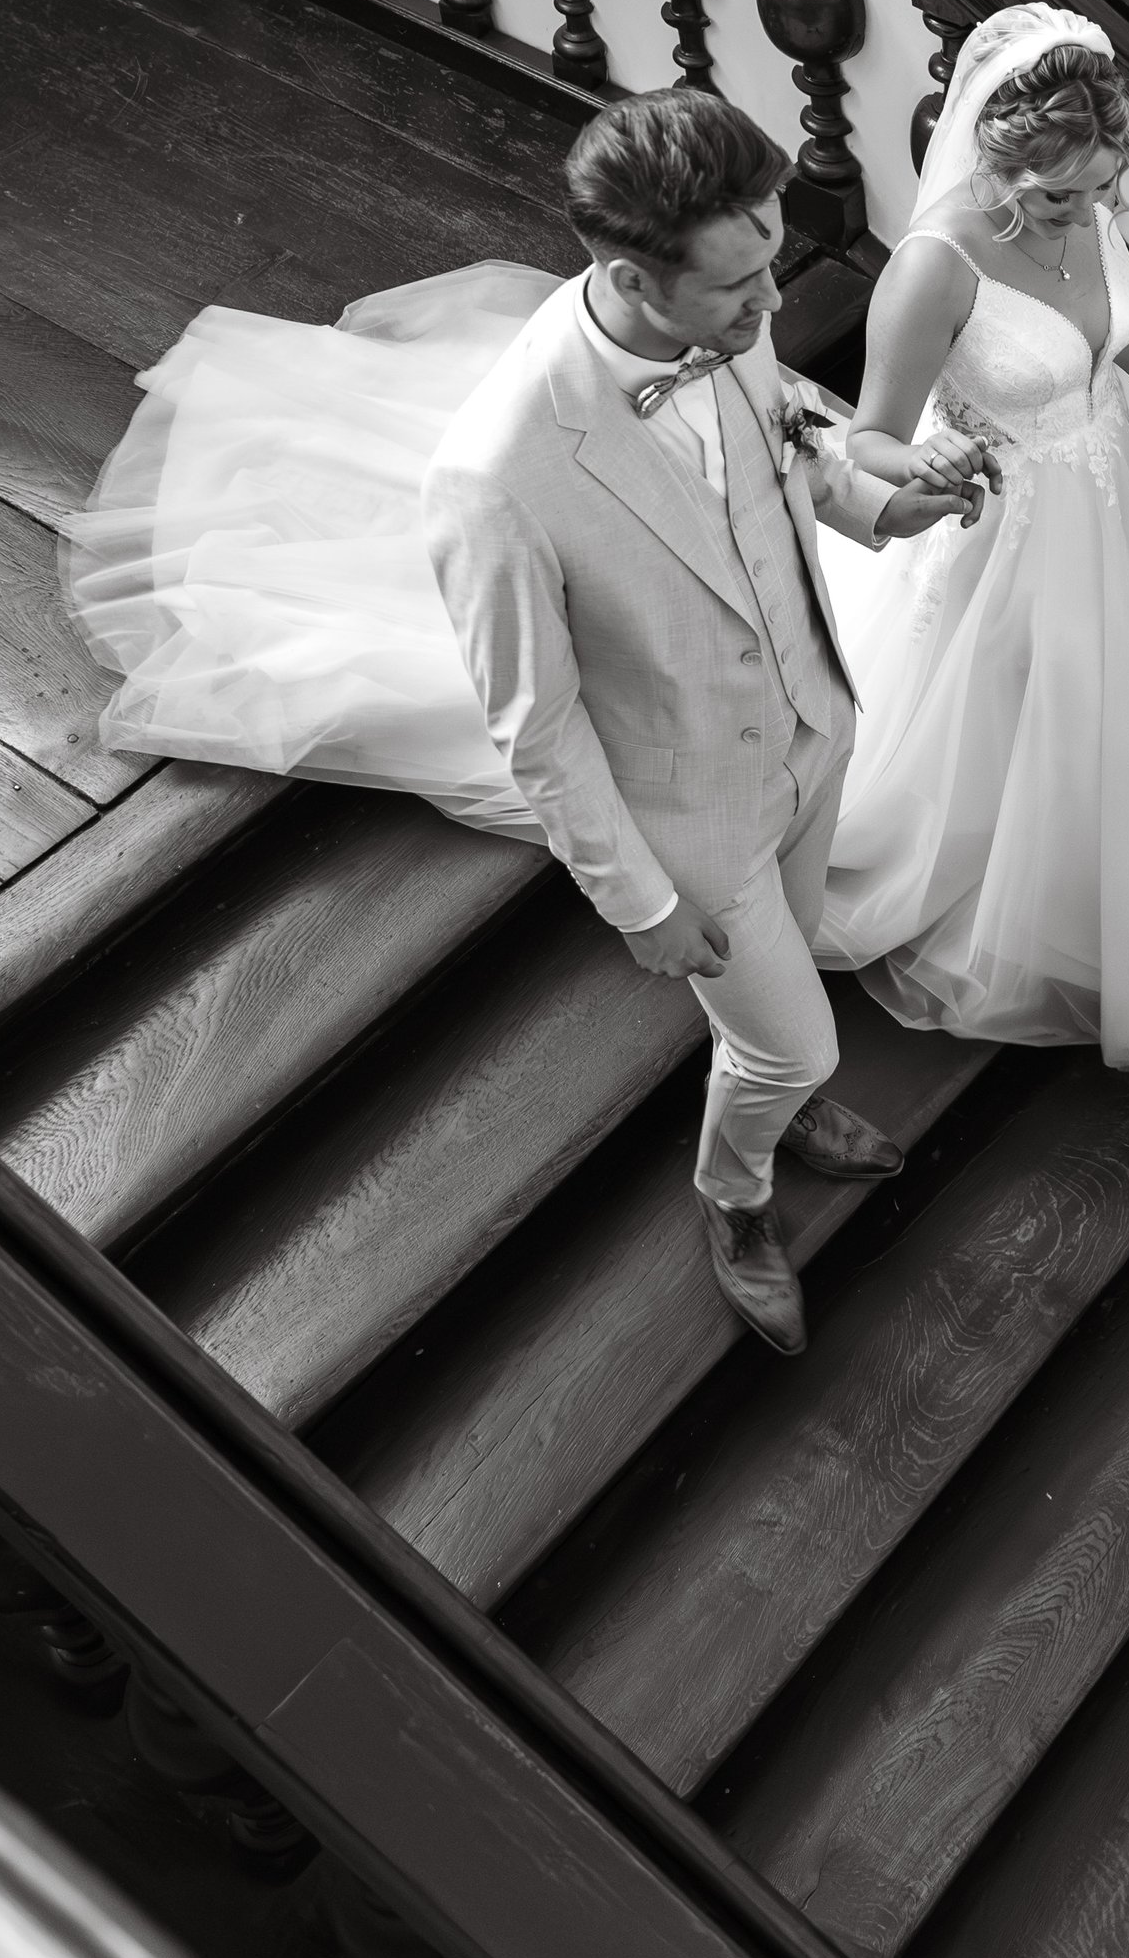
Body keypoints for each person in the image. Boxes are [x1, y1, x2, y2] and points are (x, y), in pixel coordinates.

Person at [63, 91, 981, 1354]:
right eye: (738, 285)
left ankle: (783, 1091)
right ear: (626, 276)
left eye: (774, 260)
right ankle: (737, 1195)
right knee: (787, 1048)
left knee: (797, 987)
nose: (774, 306)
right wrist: (641, 905)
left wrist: (888, 515)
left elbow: (792, 462)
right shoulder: (496, 478)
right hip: (685, 818)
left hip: (815, 722)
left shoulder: (734, 313)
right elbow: (535, 728)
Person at [811, 2, 1129, 1067]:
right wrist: (933, 463)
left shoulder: (1085, 204)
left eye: (1104, 187)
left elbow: (1108, 331)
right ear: (996, 160)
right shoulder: (934, 267)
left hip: (1100, 501)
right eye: (1059, 195)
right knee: (996, 697)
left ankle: (1069, 876)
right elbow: (864, 444)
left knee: (1088, 694)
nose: (1090, 210)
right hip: (993, 524)